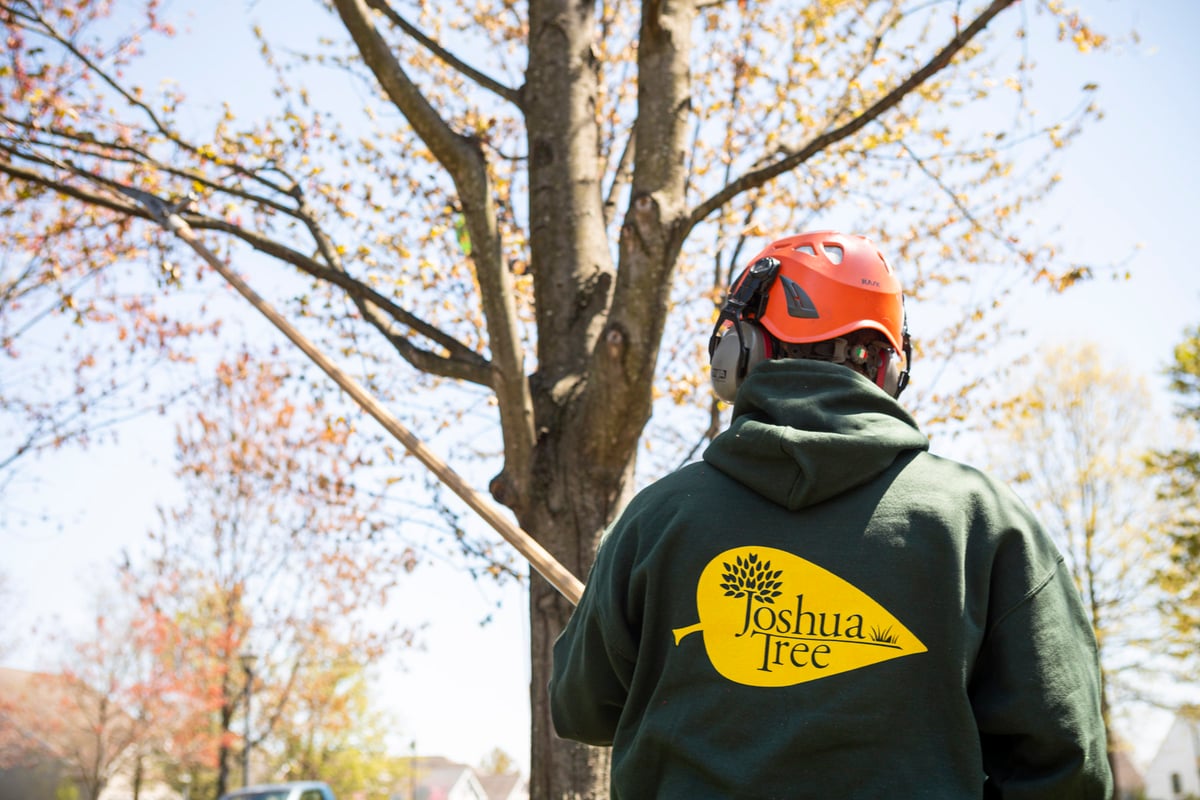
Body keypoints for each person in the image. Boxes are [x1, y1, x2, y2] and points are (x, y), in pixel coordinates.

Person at [548, 231, 1112, 798]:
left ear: (741, 351)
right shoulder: (984, 520)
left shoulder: (656, 521)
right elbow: (1068, 762)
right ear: (891, 369)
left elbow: (580, 708)